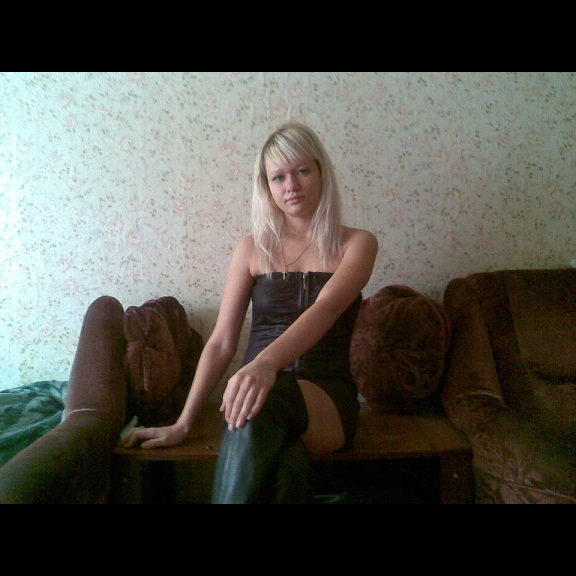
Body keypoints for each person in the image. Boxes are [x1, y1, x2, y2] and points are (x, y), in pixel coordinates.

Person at [122, 122, 378, 503]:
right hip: (251, 398)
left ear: (321, 172)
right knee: (287, 468)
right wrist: (183, 423)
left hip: (324, 400)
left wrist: (264, 365)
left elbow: (326, 308)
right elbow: (222, 342)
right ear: (266, 186)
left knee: (265, 393)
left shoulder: (358, 243)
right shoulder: (250, 249)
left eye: (302, 171)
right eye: (278, 177)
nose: (291, 185)